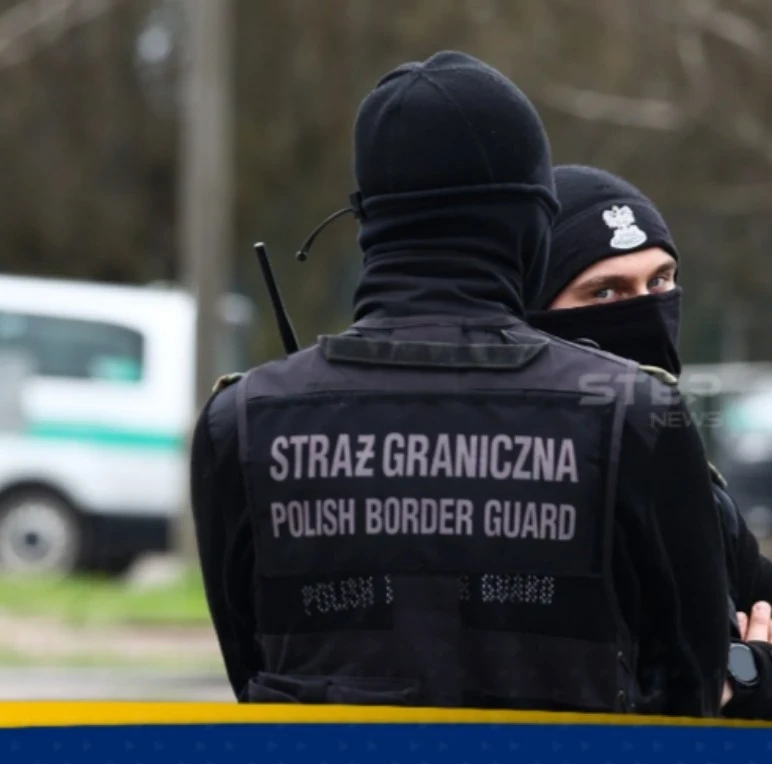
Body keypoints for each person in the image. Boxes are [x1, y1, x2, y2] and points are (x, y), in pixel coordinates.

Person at [189, 51, 730, 716]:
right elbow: (690, 696)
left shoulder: (238, 423)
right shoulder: (636, 415)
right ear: (533, 222)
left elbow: (251, 667)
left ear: (369, 224)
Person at [524, 163, 772, 717]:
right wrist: (740, 675)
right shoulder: (525, 489)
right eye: (605, 291)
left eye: (659, 281)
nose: (645, 310)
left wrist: (746, 674)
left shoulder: (691, 482)